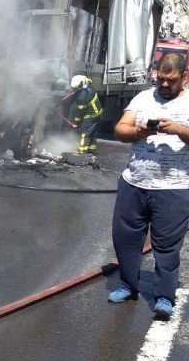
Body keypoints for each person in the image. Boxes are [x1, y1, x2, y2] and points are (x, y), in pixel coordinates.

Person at [108, 51, 189, 320]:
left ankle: (165, 296)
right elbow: (121, 130)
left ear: (184, 77)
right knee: (126, 238)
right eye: (161, 79)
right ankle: (128, 286)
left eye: (171, 80)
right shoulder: (143, 98)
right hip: (134, 183)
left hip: (174, 189)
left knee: (166, 246)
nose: (164, 85)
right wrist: (139, 131)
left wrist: (178, 129)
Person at [67, 74, 103, 154]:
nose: (75, 90)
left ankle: (82, 151)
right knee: (92, 132)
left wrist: (76, 123)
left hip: (91, 115)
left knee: (84, 133)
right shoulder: (89, 84)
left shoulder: (82, 97)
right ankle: (91, 149)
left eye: (76, 88)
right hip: (98, 113)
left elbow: (80, 113)